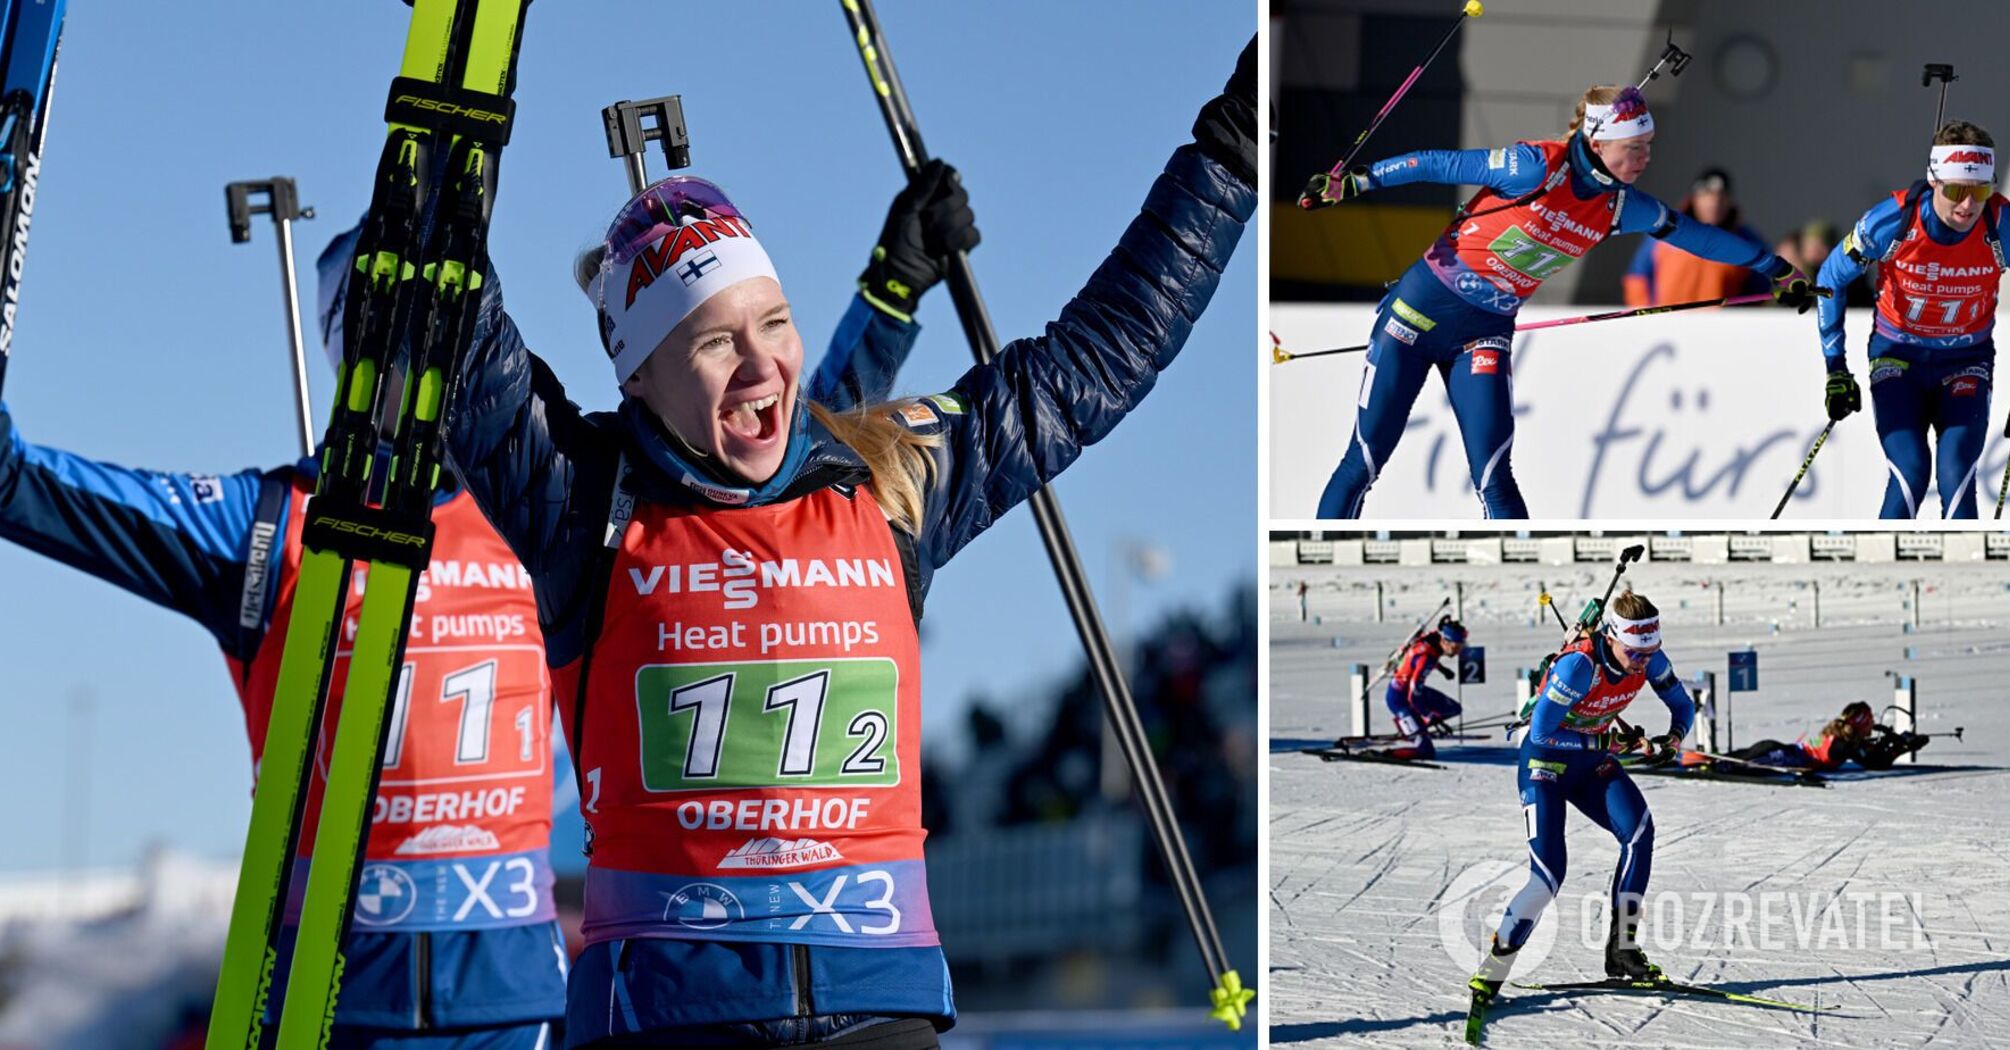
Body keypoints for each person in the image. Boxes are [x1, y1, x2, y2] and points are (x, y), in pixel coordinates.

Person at [0, 173, 962, 1047]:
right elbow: (23, 486)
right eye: (381, 329)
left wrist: (888, 299)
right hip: (337, 1002)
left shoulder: (549, 513)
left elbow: (781, 497)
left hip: (515, 999)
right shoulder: (278, 528)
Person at [439, 40, 1254, 1050]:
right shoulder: (582, 499)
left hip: (876, 1004)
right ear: (637, 375)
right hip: (669, 1015)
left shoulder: (887, 484)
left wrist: (1233, 151)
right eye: (713, 341)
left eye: (773, 323)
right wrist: (459, 112)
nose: (761, 365)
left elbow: (1098, 357)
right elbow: (453, 330)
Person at [1303, 85, 1814, 518]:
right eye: (1634, 147)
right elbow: (1440, 163)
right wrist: (1357, 182)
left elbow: (1696, 236)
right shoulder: (1535, 166)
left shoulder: (1621, 206)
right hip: (1416, 315)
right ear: (1598, 142)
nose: (1645, 158)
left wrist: (1775, 268)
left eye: (1648, 146)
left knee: (1494, 476)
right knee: (1364, 461)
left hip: (1483, 334)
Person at [1467, 593, 1694, 1005]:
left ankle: (1622, 949)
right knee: (1549, 875)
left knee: (1639, 833)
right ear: (1612, 637)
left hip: (1590, 764)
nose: (1643, 662)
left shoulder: (1649, 659)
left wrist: (1673, 740)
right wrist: (1606, 742)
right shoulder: (1579, 666)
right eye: (1635, 653)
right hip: (1545, 767)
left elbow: (1682, 705)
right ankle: (1495, 967)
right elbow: (1541, 733)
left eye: (1650, 652)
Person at [1816, 121, 2006, 519]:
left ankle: (1964, 560)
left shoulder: (2001, 224)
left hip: (1966, 361)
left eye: (1980, 192)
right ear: (1934, 180)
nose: (1968, 206)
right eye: (1955, 191)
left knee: (1956, 471)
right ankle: (1879, 557)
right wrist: (1836, 368)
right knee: (1911, 470)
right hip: (1898, 357)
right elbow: (1830, 278)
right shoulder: (1892, 222)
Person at [1622, 167, 1769, 306]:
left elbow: (1762, 288)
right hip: (1668, 321)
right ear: (1694, 198)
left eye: (1722, 196)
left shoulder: (1745, 241)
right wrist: (1646, 318)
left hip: (1719, 323)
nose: (1714, 202)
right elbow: (1637, 278)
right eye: (1707, 194)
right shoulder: (1665, 231)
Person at [1688, 700, 1926, 772]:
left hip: (1783, 749)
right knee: (1741, 763)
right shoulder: (1843, 745)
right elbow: (1874, 762)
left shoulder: (1844, 739)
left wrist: (1896, 742)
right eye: (1870, 721)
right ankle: (1707, 764)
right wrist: (1901, 747)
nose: (1873, 725)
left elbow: (1870, 751)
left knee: (1742, 755)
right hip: (1786, 756)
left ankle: (1702, 760)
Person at [1349, 617, 1466, 760]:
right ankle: (1388, 751)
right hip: (1400, 700)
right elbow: (1413, 695)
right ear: (1444, 641)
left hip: (1414, 692)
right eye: (1455, 647)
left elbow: (1422, 655)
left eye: (1461, 647)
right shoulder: (1427, 659)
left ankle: (1415, 728)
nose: (1458, 651)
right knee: (1426, 753)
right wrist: (1429, 715)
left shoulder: (1432, 640)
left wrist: (1442, 669)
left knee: (1454, 708)